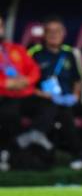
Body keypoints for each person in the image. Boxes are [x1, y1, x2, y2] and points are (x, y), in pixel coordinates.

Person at [28, 15, 82, 169]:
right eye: (50, 31)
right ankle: (75, 156)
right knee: (58, 110)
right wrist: (43, 95)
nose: (54, 35)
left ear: (64, 33)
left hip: (68, 99)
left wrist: (75, 95)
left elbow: (77, 79)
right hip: (43, 100)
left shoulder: (70, 53)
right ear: (44, 34)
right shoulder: (34, 53)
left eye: (57, 31)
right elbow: (27, 82)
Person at [0, 14, 57, 160]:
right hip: (4, 96)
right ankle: (11, 151)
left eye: (0, 26)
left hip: (24, 93)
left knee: (49, 104)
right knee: (9, 114)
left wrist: (26, 80)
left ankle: (31, 137)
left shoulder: (15, 49)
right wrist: (5, 83)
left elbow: (34, 69)